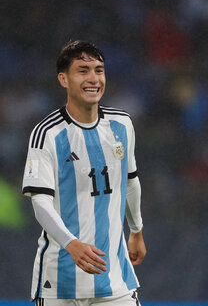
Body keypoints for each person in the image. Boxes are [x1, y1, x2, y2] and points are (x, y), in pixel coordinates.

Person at [22, 40, 147, 306]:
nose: (93, 78)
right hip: (60, 283)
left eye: (99, 70)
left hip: (114, 282)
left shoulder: (122, 124)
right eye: (83, 70)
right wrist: (72, 244)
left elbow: (130, 180)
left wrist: (136, 229)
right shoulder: (47, 133)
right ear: (63, 79)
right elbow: (40, 202)